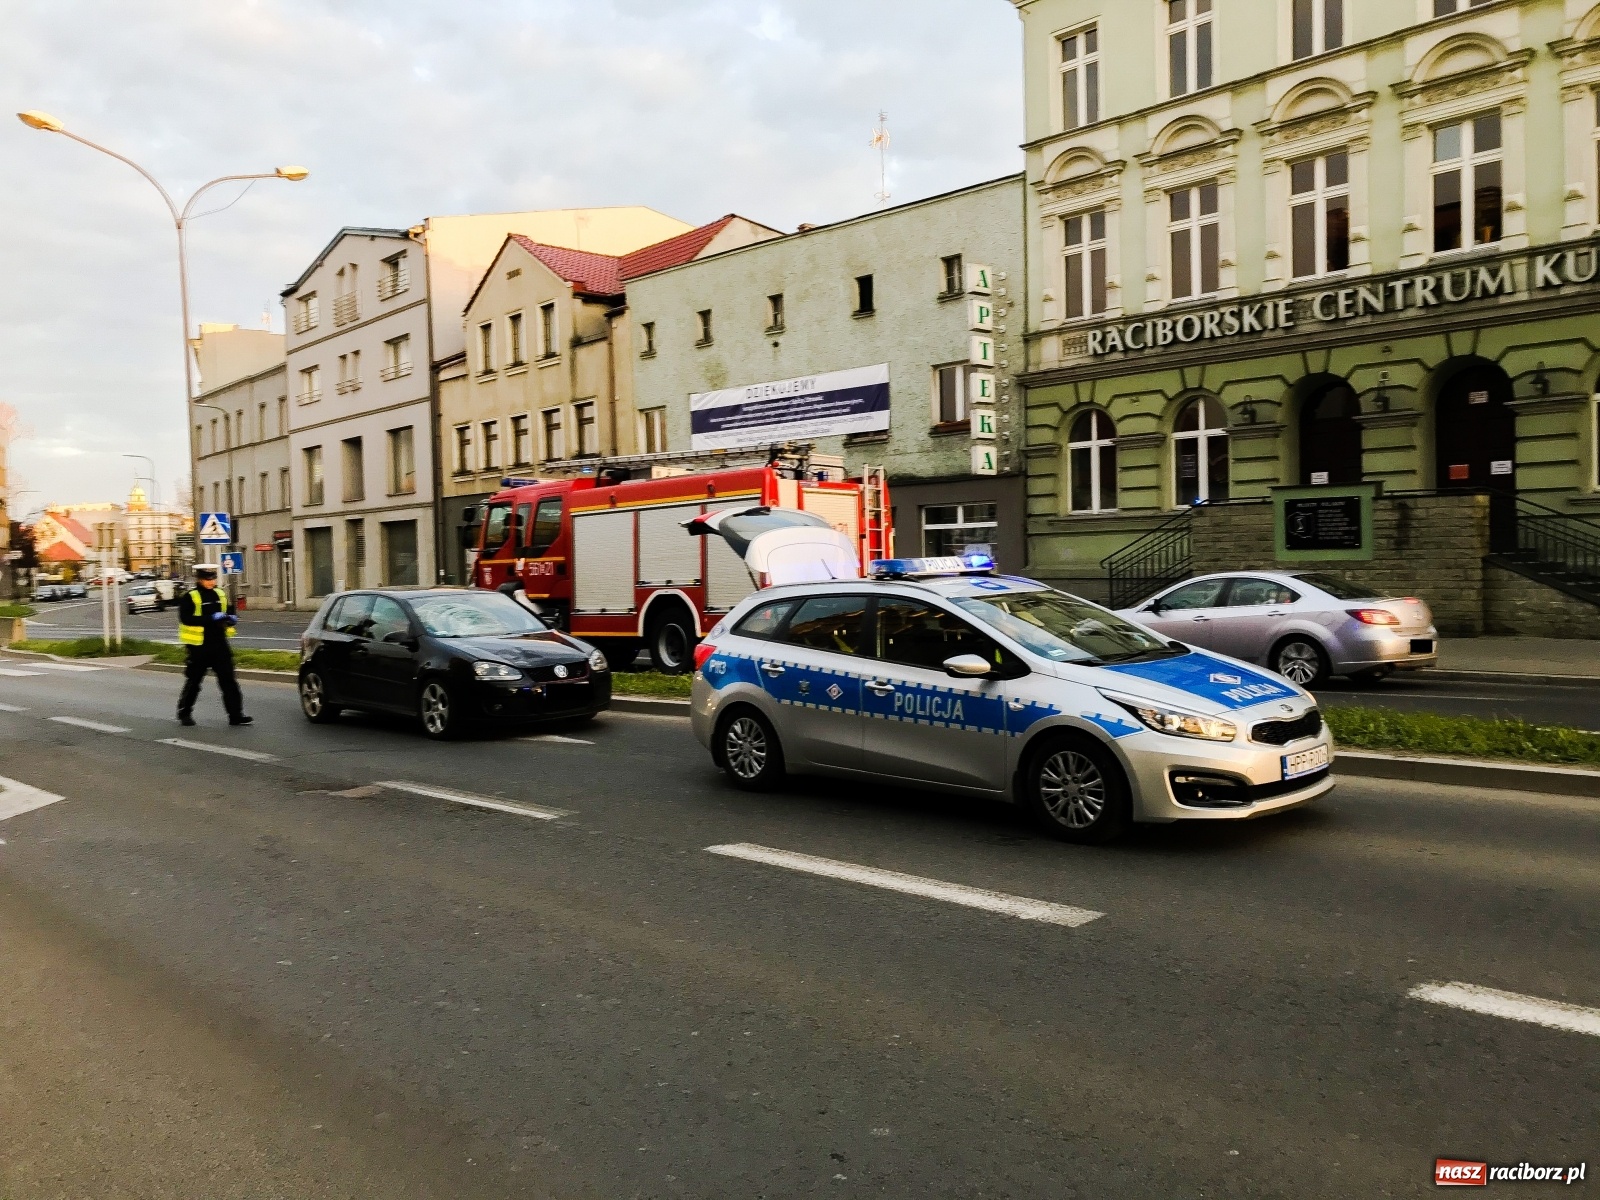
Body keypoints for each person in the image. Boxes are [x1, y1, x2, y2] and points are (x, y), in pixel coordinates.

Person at [176, 564, 252, 727]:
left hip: (219, 644)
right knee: (194, 681)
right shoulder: (190, 596)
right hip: (199, 647)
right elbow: (186, 619)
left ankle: (236, 715)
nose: (210, 582)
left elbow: (230, 611)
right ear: (199, 579)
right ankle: (185, 712)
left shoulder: (220, 594)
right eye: (206, 579)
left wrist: (231, 619)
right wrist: (210, 618)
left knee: (228, 681)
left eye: (213, 579)